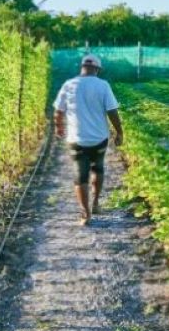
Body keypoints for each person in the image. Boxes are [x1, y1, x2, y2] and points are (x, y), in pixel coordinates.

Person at [53, 54, 124, 225]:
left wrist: (59, 127)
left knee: (80, 175)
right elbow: (112, 111)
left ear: (82, 67)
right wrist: (119, 132)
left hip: (76, 139)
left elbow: (58, 110)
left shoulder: (69, 85)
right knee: (98, 168)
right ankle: (96, 203)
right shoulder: (103, 85)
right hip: (99, 138)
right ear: (97, 69)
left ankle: (86, 214)